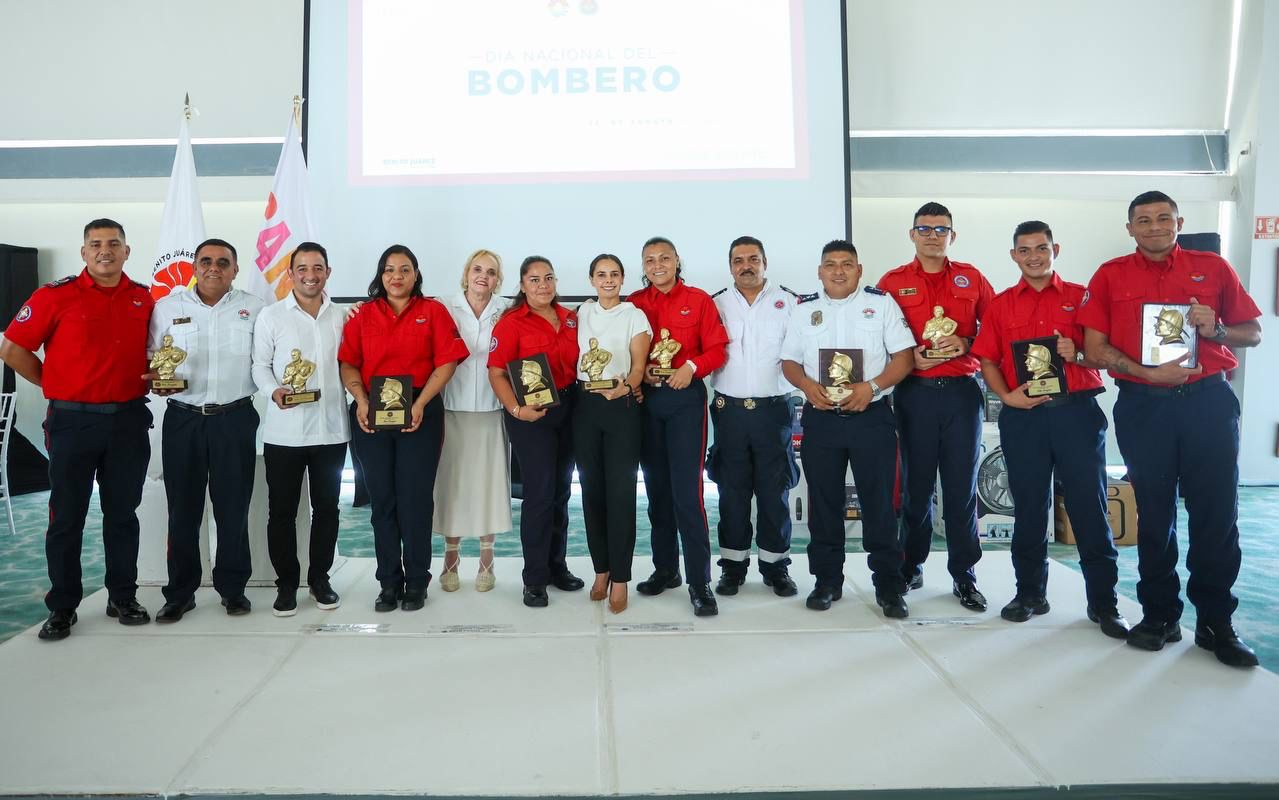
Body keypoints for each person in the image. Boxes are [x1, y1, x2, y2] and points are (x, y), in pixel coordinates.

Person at [1081, 190, 1263, 668]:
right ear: (1130, 228)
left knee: (1216, 513)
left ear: (1179, 221)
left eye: (1164, 218)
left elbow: (1254, 333)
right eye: (1144, 219)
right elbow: (1094, 349)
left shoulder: (1214, 268)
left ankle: (1215, 622)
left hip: (1207, 402)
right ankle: (1160, 614)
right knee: (1155, 512)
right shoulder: (1109, 275)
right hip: (1144, 404)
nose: (1155, 226)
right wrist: (1147, 374)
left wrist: (1217, 329)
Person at [970, 221, 1126, 637]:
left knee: (1089, 508)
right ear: (1014, 255)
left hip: (1076, 413)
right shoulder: (1001, 306)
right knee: (1029, 508)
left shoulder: (1082, 298)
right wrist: (1007, 397)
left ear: (1055, 248)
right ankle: (1030, 594)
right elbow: (986, 360)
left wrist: (1077, 353)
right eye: (1025, 250)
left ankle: (1104, 604)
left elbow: (1104, 355)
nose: (1034, 256)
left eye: (1041, 248)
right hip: (1025, 419)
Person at [0, 219, 154, 640]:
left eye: (114, 244)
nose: (105, 250)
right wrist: (53, 383)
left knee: (122, 514)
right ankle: (63, 606)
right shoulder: (55, 296)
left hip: (127, 421)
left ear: (127, 250)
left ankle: (122, 595)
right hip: (72, 422)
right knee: (66, 516)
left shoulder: (144, 299)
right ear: (84, 252)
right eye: (96, 244)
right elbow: (12, 349)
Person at [781, 240, 915, 616]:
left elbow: (903, 358)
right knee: (824, 505)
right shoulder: (804, 310)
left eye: (846, 264)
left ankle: (889, 586)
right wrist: (808, 387)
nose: (838, 271)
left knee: (879, 506)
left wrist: (870, 387)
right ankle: (827, 582)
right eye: (830, 264)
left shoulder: (882, 304)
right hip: (821, 418)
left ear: (859, 269)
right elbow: (789, 361)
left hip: (871, 416)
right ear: (819, 271)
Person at [878, 202, 995, 612]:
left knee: (962, 489)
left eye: (940, 229)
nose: (932, 235)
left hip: (962, 392)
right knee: (916, 487)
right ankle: (911, 565)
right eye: (924, 229)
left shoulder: (972, 278)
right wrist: (909, 357)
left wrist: (966, 345)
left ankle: (965, 574)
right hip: (915, 393)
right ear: (912, 234)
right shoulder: (892, 282)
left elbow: (993, 331)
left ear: (952, 236)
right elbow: (879, 338)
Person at [339, 245, 468, 612]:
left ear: (416, 274)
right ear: (380, 276)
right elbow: (348, 364)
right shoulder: (363, 315)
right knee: (382, 500)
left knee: (415, 499)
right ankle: (388, 583)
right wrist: (362, 401)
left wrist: (421, 403)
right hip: (371, 412)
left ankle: (416, 581)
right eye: (389, 269)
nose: (397, 276)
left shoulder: (433, 311)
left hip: (419, 410)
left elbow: (447, 363)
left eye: (405, 269)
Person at [146, 238, 265, 622]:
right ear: (195, 267)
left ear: (234, 268)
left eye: (223, 262)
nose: (214, 268)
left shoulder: (255, 308)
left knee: (233, 509)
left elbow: (267, 359)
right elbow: (152, 357)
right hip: (183, 418)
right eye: (206, 261)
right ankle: (180, 593)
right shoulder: (167, 308)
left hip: (234, 418)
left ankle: (233, 590)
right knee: (183, 511)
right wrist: (155, 380)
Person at [629, 237, 730, 616]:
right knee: (656, 493)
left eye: (664, 258)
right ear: (643, 265)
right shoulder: (633, 304)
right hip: (646, 403)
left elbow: (717, 349)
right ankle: (665, 569)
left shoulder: (699, 300)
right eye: (650, 260)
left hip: (686, 403)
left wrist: (690, 368)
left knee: (688, 495)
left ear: (677, 262)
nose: (658, 265)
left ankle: (700, 581)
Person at [252, 241, 350, 617]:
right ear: (290, 274)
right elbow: (260, 365)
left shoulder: (342, 316)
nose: (311, 275)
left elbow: (353, 364)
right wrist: (273, 390)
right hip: (285, 433)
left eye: (318, 267)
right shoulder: (272, 316)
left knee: (327, 510)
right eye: (303, 268)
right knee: (282, 512)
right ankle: (286, 585)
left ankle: (320, 579)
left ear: (328, 272)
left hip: (331, 430)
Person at [487, 256, 584, 607]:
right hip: (529, 414)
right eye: (534, 280)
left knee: (561, 492)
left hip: (569, 409)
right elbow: (497, 373)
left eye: (548, 278)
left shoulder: (572, 319)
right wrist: (516, 409)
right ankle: (535, 579)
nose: (542, 285)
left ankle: (558, 566)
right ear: (522, 285)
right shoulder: (511, 323)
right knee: (540, 494)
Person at [708, 235, 800, 598]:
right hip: (728, 412)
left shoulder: (789, 302)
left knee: (774, 492)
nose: (745, 265)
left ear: (765, 262)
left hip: (773, 411)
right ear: (730, 265)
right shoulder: (715, 304)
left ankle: (776, 567)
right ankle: (732, 567)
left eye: (752, 259)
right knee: (732, 491)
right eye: (738, 260)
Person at [573, 253, 651, 614]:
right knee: (591, 492)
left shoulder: (635, 315)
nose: (608, 280)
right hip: (585, 407)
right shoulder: (582, 312)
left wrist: (626, 387)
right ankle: (600, 571)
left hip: (621, 407)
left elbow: (638, 368)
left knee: (620, 494)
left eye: (614, 274)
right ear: (591, 280)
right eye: (601, 275)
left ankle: (621, 578)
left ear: (623, 279)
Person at [435, 250, 513, 591]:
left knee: (489, 486)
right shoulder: (441, 306)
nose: (484, 276)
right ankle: (450, 561)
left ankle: (487, 563)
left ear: (498, 280)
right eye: (478, 269)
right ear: (466, 273)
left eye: (491, 272)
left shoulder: (508, 309)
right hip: (451, 407)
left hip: (493, 408)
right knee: (451, 485)